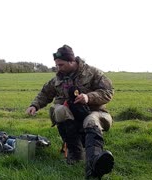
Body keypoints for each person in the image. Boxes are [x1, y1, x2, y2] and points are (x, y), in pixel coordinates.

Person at [26, 45, 114, 179]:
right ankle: (75, 154)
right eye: (56, 65)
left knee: (90, 121)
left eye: (61, 65)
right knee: (60, 110)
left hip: (95, 113)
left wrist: (88, 97)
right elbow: (45, 93)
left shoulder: (93, 73)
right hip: (71, 116)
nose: (58, 68)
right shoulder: (57, 79)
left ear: (72, 61)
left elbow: (108, 92)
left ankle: (94, 162)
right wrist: (35, 105)